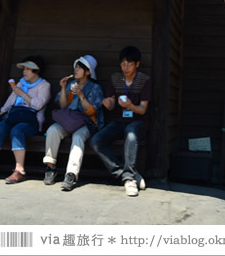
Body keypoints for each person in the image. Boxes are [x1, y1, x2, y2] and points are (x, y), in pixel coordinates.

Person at [90, 46, 151, 197]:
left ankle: (129, 179)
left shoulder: (144, 80)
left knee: (131, 134)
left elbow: (143, 109)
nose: (126, 68)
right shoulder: (115, 78)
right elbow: (111, 105)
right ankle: (127, 175)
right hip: (118, 120)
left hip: (138, 121)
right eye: (123, 64)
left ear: (137, 64)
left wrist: (130, 105)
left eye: (129, 64)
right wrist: (107, 102)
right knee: (96, 141)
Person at [0, 56, 50, 185]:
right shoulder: (20, 83)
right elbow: (9, 103)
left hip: (31, 121)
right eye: (24, 68)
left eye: (29, 69)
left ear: (37, 71)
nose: (25, 71)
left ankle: (19, 170)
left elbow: (37, 105)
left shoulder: (44, 85)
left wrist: (22, 93)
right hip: (13, 117)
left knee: (17, 131)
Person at [43, 55, 104, 191]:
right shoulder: (71, 84)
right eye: (75, 67)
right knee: (52, 130)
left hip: (85, 123)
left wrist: (81, 95)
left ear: (88, 72)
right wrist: (64, 88)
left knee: (78, 137)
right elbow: (63, 106)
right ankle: (50, 167)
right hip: (67, 121)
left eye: (79, 68)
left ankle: (71, 174)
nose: (75, 70)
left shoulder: (95, 88)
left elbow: (92, 112)